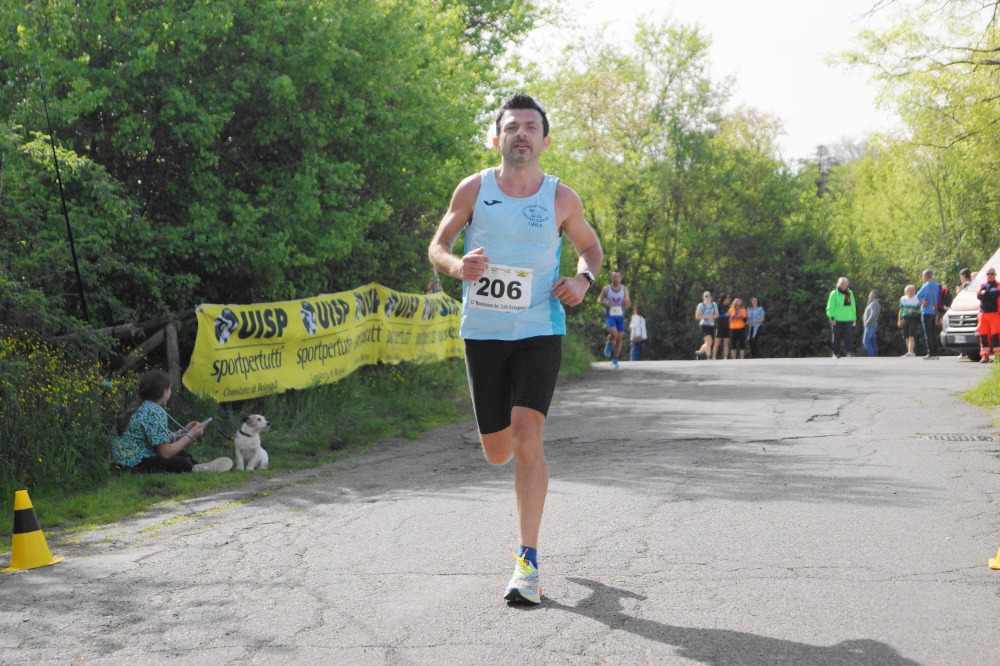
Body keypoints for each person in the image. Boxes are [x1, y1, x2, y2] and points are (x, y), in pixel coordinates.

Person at [427, 92, 603, 605]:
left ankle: (527, 563)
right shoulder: (474, 189)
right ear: (496, 138)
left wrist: (583, 280)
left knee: (528, 437)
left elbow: (590, 248)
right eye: (512, 127)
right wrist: (457, 266)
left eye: (530, 127)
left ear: (545, 141)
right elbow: (438, 246)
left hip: (539, 328)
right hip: (483, 333)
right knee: (497, 451)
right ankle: (525, 547)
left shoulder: (561, 197)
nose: (521, 134)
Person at [111, 369, 232, 474]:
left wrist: (183, 431)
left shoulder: (141, 406)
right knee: (182, 462)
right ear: (165, 392)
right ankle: (199, 468)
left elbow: (158, 440)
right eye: (170, 388)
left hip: (124, 463)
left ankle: (200, 467)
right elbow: (166, 452)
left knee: (181, 454)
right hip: (135, 465)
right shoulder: (155, 412)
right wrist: (191, 435)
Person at [599, 270, 631, 368]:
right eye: (614, 277)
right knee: (614, 334)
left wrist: (627, 302)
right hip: (610, 315)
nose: (616, 279)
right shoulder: (606, 288)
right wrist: (605, 303)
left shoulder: (624, 289)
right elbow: (599, 300)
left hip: (620, 316)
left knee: (619, 339)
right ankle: (609, 343)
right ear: (612, 278)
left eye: (618, 277)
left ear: (621, 278)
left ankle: (615, 359)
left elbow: (628, 303)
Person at [826, 277, 857, 357]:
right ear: (838, 284)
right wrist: (832, 317)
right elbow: (830, 306)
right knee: (836, 336)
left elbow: (852, 306)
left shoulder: (849, 293)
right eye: (841, 284)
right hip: (837, 319)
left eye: (845, 284)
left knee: (849, 336)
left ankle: (849, 352)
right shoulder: (834, 293)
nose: (843, 286)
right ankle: (835, 353)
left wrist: (854, 318)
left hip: (848, 318)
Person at [916, 268, 942, 359]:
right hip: (934, 311)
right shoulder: (937, 285)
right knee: (933, 333)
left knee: (928, 333)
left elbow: (918, 295)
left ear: (925, 276)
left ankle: (931, 353)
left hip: (927, 311)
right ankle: (936, 353)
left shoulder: (926, 285)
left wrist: (923, 302)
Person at [976, 267, 1000, 363]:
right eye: (988, 274)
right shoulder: (982, 285)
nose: (989, 275)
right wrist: (990, 294)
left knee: (996, 336)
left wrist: (985, 293)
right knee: (984, 336)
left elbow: (997, 292)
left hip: (995, 314)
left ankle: (997, 356)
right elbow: (979, 295)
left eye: (992, 274)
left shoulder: (998, 285)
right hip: (983, 314)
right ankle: (984, 356)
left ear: (995, 275)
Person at [898, 284, 920, 357]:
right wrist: (899, 320)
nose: (912, 291)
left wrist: (913, 310)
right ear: (906, 291)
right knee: (906, 336)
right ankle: (910, 351)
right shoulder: (903, 299)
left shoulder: (917, 299)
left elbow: (920, 310)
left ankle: (910, 352)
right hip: (905, 318)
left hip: (913, 318)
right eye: (910, 290)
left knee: (911, 335)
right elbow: (901, 310)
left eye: (913, 290)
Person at [695, 291, 718, 360]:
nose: (708, 297)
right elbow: (697, 316)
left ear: (711, 297)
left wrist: (712, 317)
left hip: (711, 324)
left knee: (710, 342)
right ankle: (709, 356)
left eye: (709, 296)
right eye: (706, 296)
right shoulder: (701, 305)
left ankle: (699, 352)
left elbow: (717, 315)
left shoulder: (714, 304)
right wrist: (707, 316)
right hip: (704, 324)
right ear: (703, 297)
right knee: (709, 340)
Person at [862, 289, 881, 357]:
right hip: (871, 325)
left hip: (870, 325)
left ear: (874, 295)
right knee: (872, 341)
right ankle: (874, 356)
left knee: (866, 341)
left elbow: (873, 314)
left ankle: (872, 356)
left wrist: (867, 322)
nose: (869, 295)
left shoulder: (874, 303)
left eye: (870, 294)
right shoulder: (872, 303)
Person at [713, 295, 732, 360]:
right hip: (719, 326)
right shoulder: (718, 306)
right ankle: (714, 357)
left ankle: (725, 357)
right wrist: (724, 315)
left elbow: (730, 316)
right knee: (717, 342)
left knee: (726, 343)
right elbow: (716, 316)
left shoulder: (729, 307)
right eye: (728, 298)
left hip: (727, 326)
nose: (729, 299)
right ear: (724, 298)